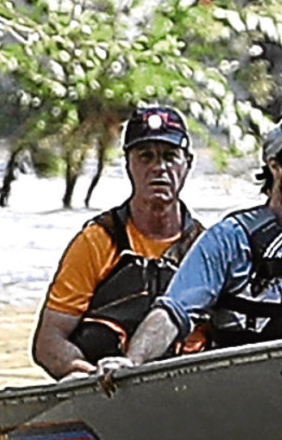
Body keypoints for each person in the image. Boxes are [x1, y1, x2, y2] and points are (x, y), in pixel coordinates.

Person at [108, 110, 282, 370]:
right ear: (275, 167)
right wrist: (132, 360)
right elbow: (173, 312)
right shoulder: (229, 239)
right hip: (249, 379)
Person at [31, 103, 205, 378]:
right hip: (105, 385)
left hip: (185, 387)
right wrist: (83, 374)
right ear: (128, 164)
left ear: (188, 164)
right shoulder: (96, 242)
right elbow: (49, 341)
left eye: (170, 156)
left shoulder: (206, 248)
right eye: (145, 157)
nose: (159, 168)